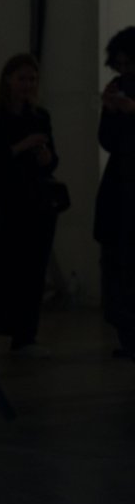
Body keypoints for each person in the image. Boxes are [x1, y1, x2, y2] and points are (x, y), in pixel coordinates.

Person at [0, 53, 60, 357]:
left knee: (33, 271)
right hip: (4, 202)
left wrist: (47, 158)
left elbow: (52, 161)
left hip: (37, 203)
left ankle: (25, 335)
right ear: (8, 80)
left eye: (32, 79)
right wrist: (20, 147)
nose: (28, 85)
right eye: (22, 78)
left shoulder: (40, 116)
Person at [96, 27, 135, 360]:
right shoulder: (118, 88)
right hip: (120, 187)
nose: (124, 71)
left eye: (128, 63)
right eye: (119, 64)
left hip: (125, 186)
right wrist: (110, 110)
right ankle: (127, 335)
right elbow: (107, 140)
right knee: (117, 264)